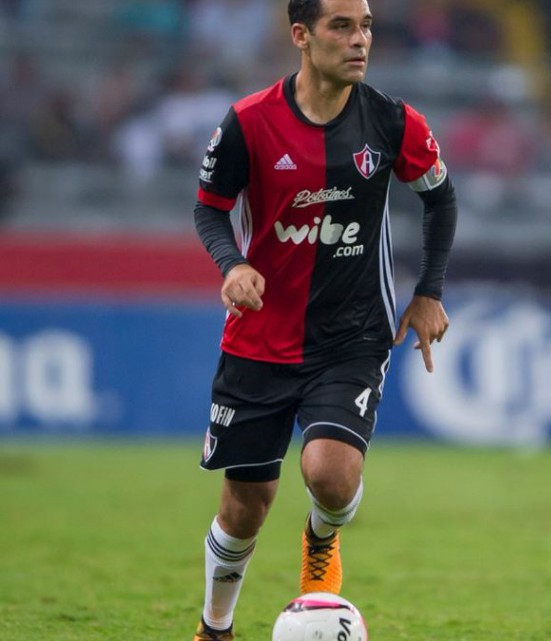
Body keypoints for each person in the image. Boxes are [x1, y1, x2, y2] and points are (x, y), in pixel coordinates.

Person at [190, 1, 457, 640]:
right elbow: (209, 209)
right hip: (260, 338)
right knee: (244, 508)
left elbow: (440, 198)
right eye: (342, 26)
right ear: (302, 37)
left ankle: (321, 537)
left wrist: (428, 291)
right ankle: (215, 626)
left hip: (353, 335)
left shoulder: (394, 122)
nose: (360, 39)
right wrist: (231, 264)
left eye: (366, 26)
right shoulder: (248, 124)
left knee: (331, 476)